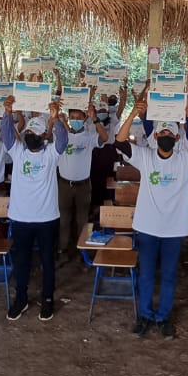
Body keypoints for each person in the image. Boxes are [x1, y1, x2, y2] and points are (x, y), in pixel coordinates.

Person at [116, 97, 188, 338]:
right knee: (147, 274)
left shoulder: (185, 160)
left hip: (173, 229)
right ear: (156, 136)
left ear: (177, 138)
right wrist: (133, 113)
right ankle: (145, 315)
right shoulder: (146, 157)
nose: (166, 136)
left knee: (169, 276)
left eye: (170, 133)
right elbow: (119, 143)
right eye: (162, 132)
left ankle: (163, 317)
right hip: (147, 227)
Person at [0, 96, 67, 321]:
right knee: (22, 262)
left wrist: (56, 119)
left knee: (48, 261)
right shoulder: (18, 152)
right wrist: (8, 112)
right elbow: (7, 135)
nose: (30, 136)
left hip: (47, 218)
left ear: (43, 137)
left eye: (34, 134)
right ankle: (21, 299)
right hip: (20, 218)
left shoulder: (51, 154)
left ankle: (47, 299)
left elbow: (63, 142)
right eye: (28, 133)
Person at [57, 99, 106, 262]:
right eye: (73, 117)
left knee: (82, 219)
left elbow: (104, 138)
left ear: (85, 118)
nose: (76, 120)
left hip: (83, 185)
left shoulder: (90, 136)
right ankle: (63, 249)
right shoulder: (62, 135)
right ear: (68, 118)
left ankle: (82, 250)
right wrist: (57, 119)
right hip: (64, 184)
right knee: (63, 218)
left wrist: (95, 119)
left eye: (79, 117)